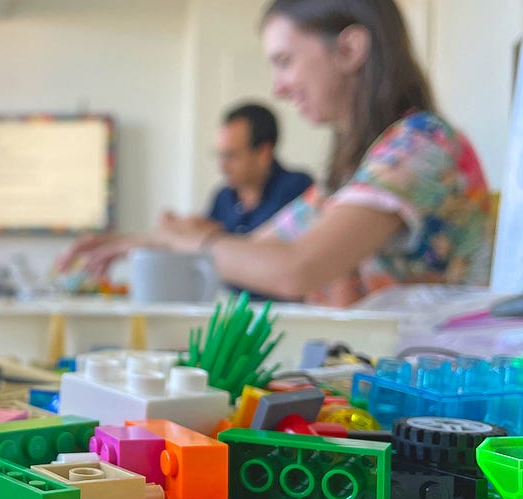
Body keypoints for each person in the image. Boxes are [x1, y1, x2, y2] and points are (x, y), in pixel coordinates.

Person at [59, 0, 492, 307]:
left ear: (349, 49)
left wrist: (195, 239)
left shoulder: (421, 146)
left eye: (284, 60)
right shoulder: (365, 166)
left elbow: (294, 268)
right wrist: (143, 242)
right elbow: (259, 246)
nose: (278, 86)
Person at [163, 103, 312, 237]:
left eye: (230, 156)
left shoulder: (298, 189)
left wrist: (214, 237)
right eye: (219, 155)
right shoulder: (222, 197)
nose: (222, 167)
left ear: (263, 153)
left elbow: (285, 254)